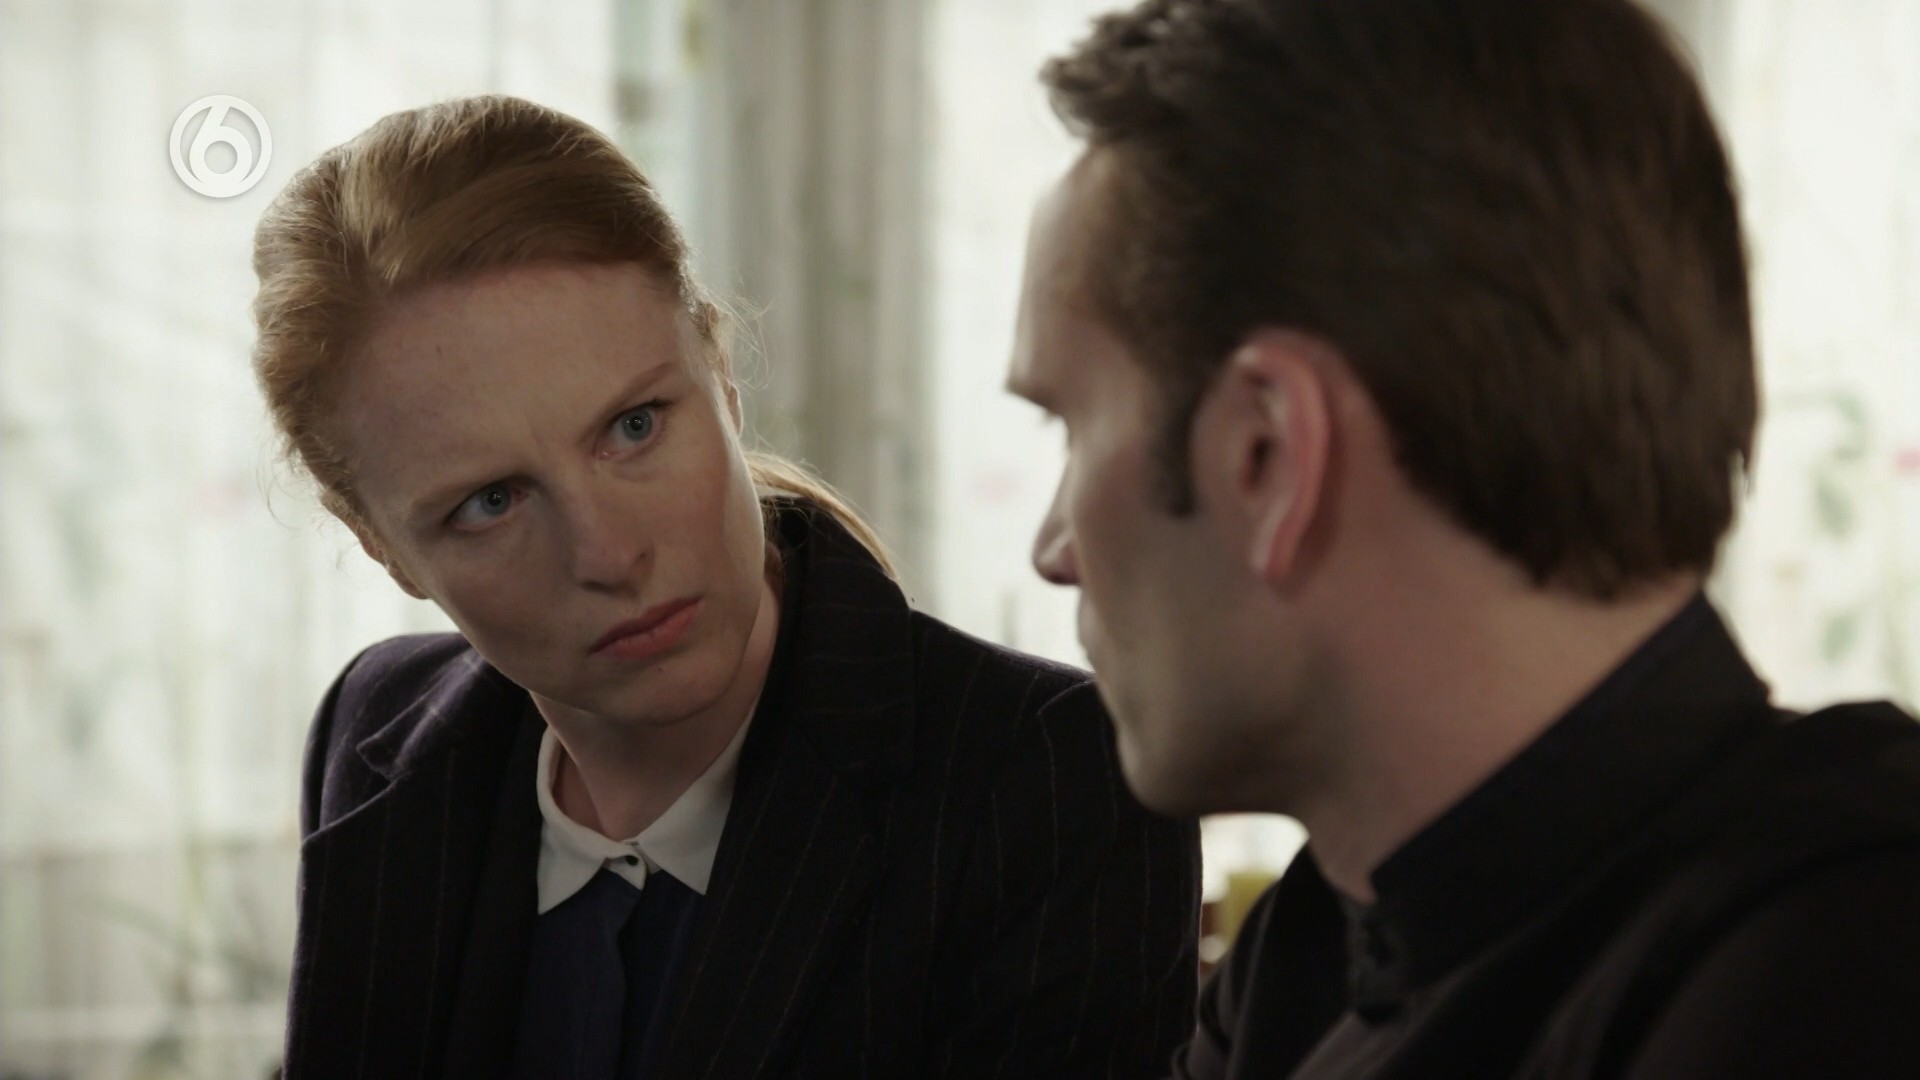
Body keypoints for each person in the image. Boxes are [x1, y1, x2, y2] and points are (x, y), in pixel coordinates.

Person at [1008, 0, 1920, 1076]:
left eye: (1071, 426)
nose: (1052, 549)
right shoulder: (1308, 952)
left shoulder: (1844, 972)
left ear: (1271, 453)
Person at [252, 94, 1199, 1079]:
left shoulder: (1048, 781)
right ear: (380, 546)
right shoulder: (377, 728)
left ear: (721, 372)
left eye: (634, 426)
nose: (609, 554)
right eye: (491, 502)